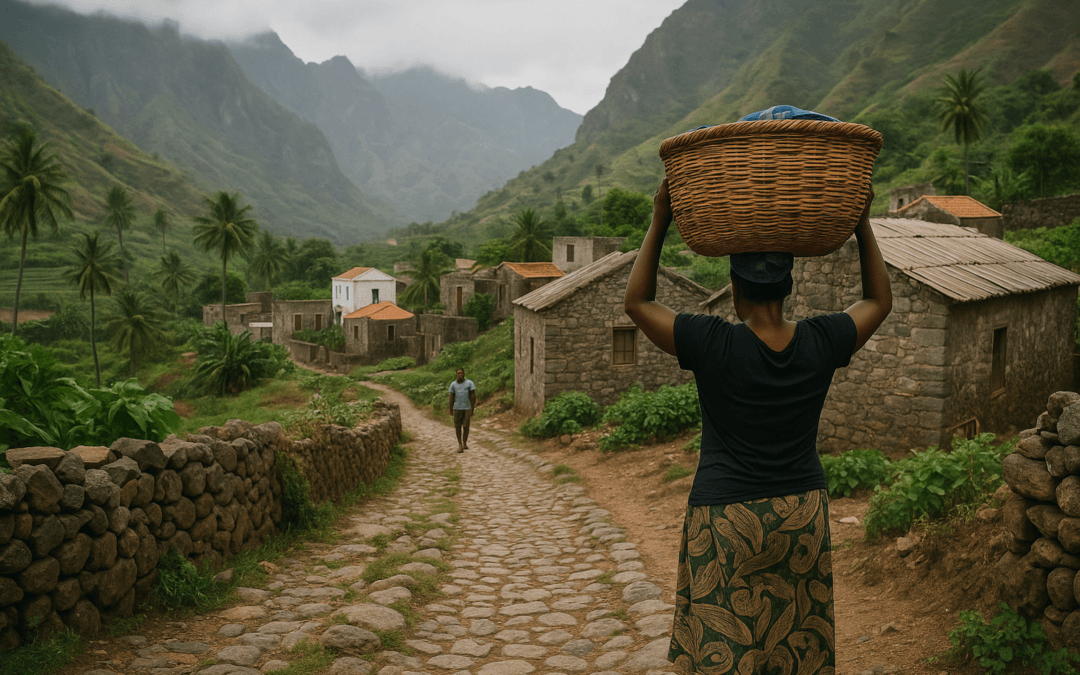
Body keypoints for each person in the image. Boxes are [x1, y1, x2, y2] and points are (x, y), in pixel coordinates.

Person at [624, 175, 892, 674]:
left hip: (725, 519)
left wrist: (660, 216)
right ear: (788, 286)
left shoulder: (711, 341)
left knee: (724, 648)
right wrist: (861, 223)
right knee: (796, 645)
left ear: (735, 289)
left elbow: (636, 303)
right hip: (801, 513)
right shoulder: (821, 340)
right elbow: (879, 301)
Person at [448, 368, 476, 452]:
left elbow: (473, 396)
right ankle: (459, 444)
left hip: (467, 408)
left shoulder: (469, 383)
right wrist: (451, 409)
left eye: (461, 373)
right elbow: (451, 396)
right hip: (457, 408)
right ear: (456, 374)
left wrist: (472, 408)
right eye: (458, 373)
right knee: (457, 426)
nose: (460, 375)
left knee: (466, 426)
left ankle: (464, 443)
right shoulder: (453, 384)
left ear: (464, 374)